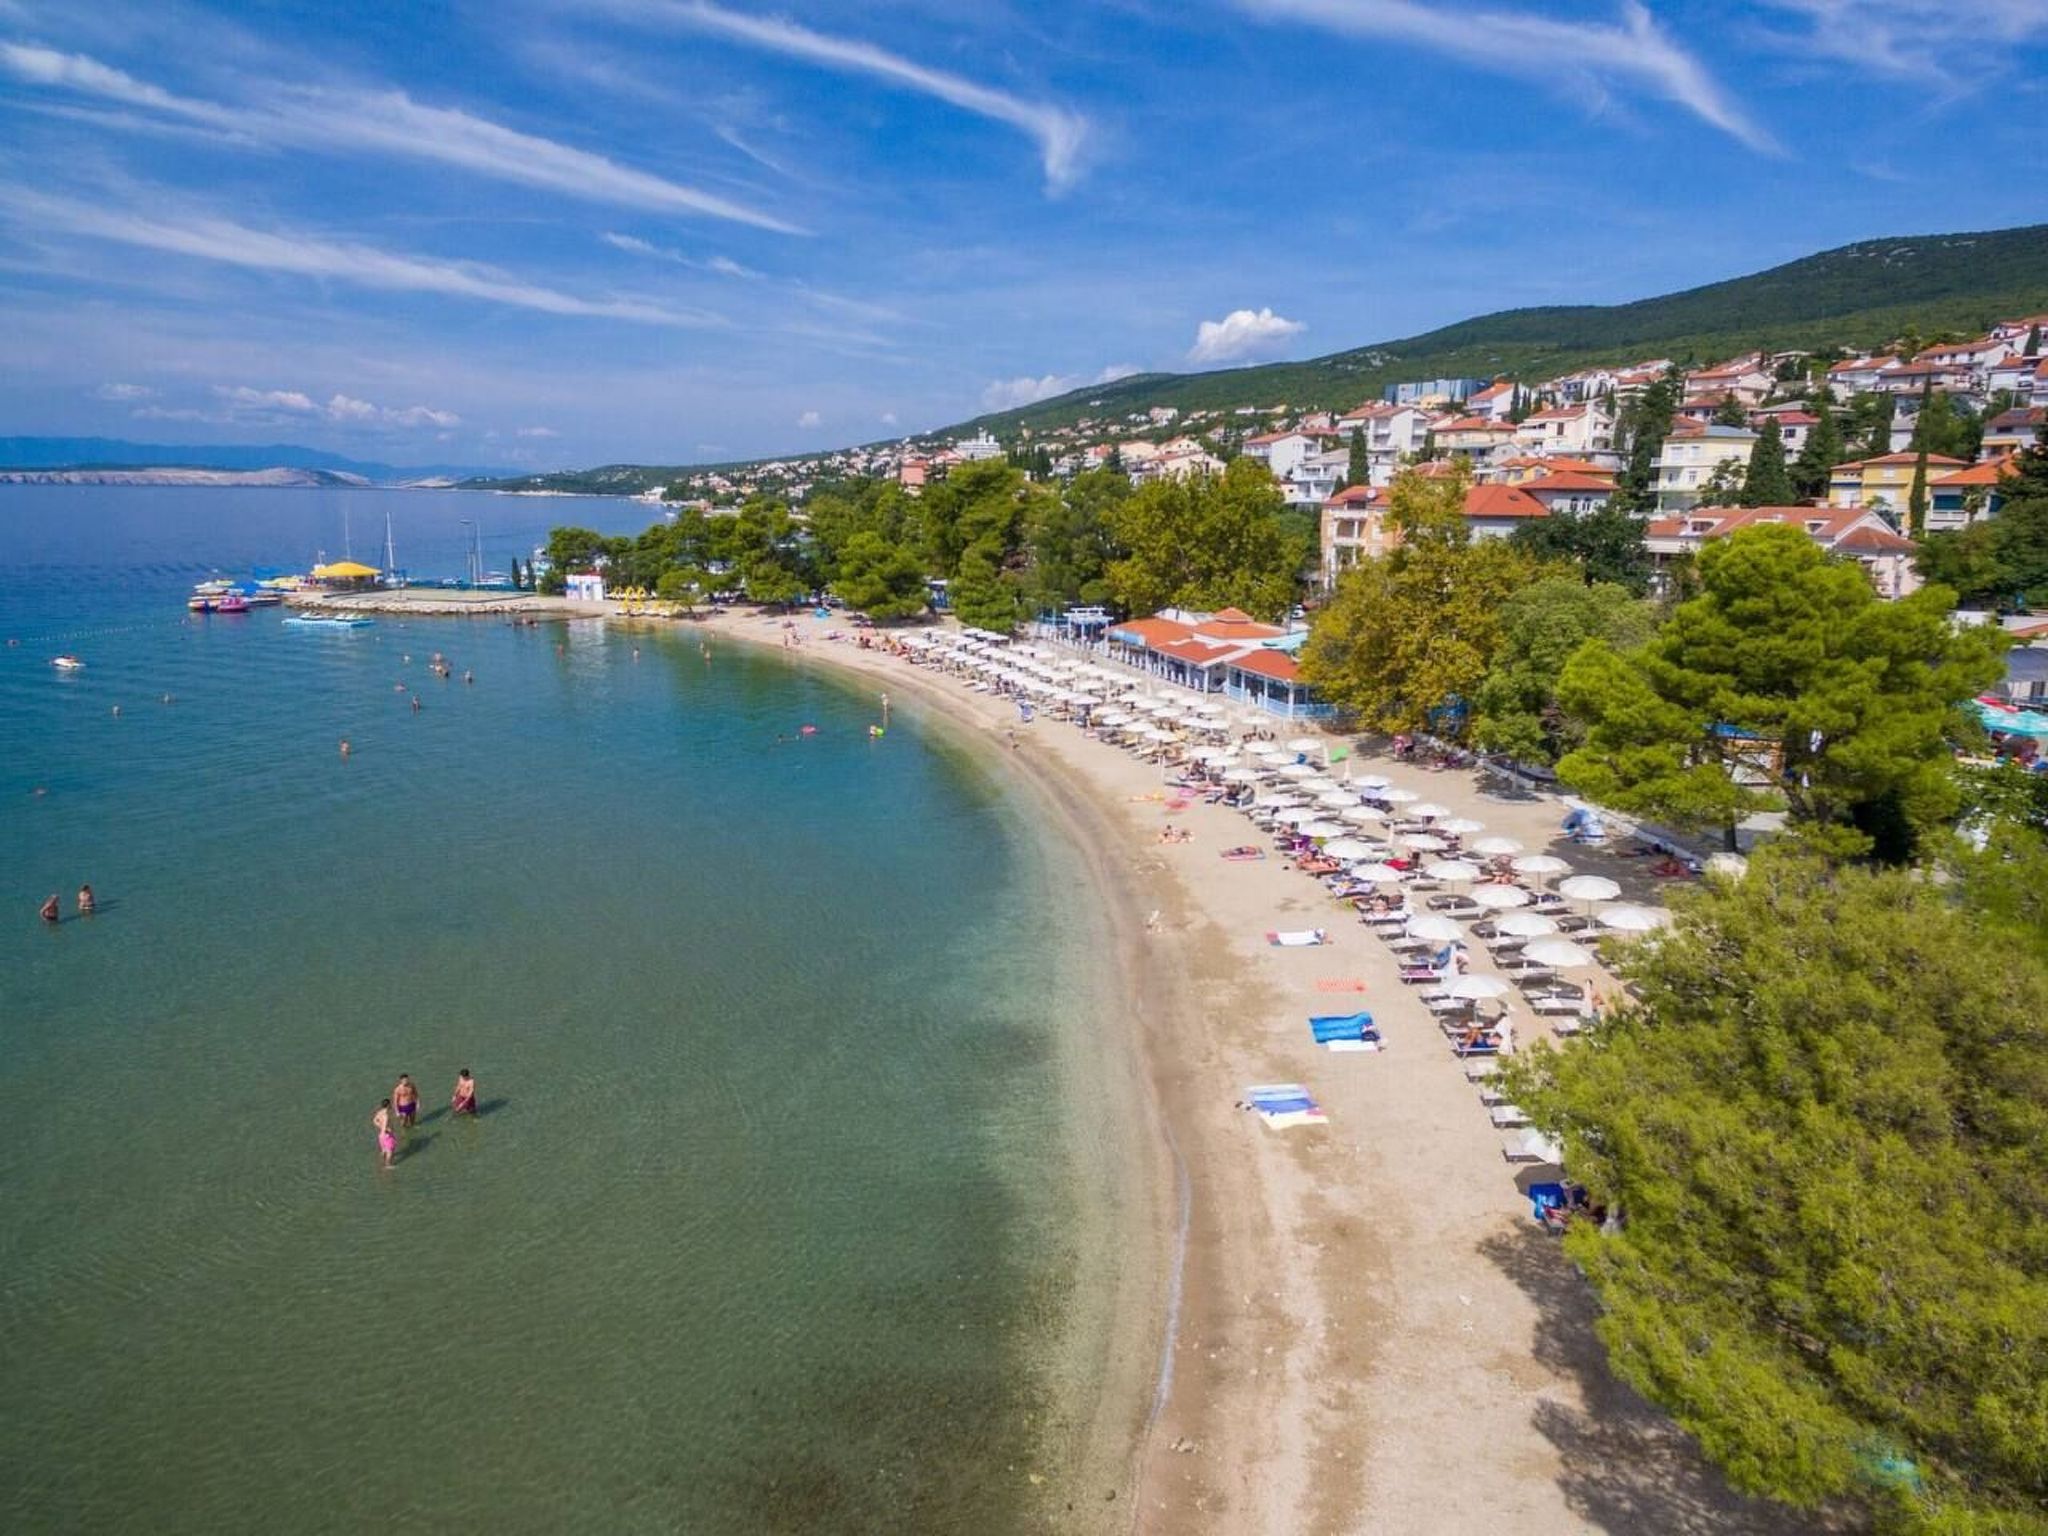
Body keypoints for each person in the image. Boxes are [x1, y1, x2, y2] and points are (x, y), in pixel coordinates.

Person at [373, 1100, 397, 1167]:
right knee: (390, 1151)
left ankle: (381, 1160)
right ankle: (388, 1165)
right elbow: (386, 1125)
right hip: (387, 1135)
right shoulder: (386, 1115)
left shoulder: (379, 1112)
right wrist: (387, 1130)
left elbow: (374, 1121)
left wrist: (381, 1127)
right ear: (388, 1105)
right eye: (390, 1104)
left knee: (384, 1150)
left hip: (381, 1135)